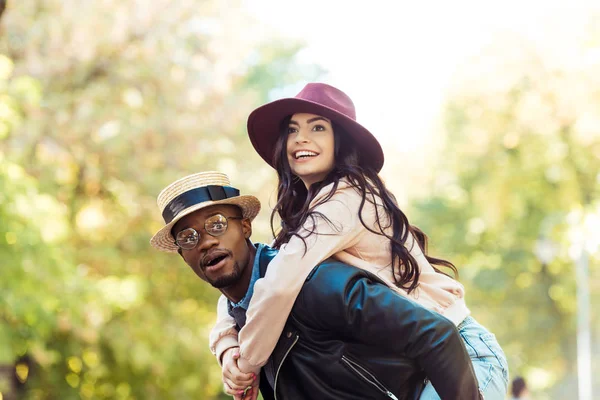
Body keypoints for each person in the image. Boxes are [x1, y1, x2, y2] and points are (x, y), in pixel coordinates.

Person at [212, 83, 509, 399]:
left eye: (318, 128)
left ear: (340, 141)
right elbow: (257, 278)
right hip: (419, 364)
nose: (301, 138)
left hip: (463, 354)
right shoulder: (308, 219)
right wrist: (226, 343)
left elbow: (277, 286)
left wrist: (246, 364)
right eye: (292, 129)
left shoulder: (347, 199)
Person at [150, 171, 482, 399]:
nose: (206, 241)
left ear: (246, 227)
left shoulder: (314, 283)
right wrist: (224, 346)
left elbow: (436, 334)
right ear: (183, 256)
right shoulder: (239, 322)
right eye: (189, 237)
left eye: (217, 224)